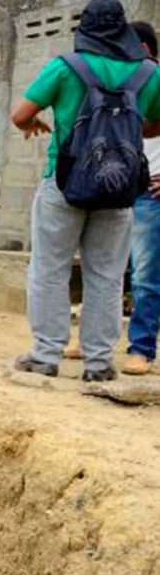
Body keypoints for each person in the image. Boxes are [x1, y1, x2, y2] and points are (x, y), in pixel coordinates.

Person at [12, 0, 160, 383]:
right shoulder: (149, 74)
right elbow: (156, 125)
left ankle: (46, 354)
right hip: (119, 188)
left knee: (49, 268)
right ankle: (98, 363)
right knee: (108, 275)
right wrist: (126, 131)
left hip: (64, 183)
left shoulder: (65, 68)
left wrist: (40, 124)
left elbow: (20, 115)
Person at [121, 20, 160, 375]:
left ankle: (142, 349)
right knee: (102, 266)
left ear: (144, 50)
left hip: (150, 192)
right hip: (117, 187)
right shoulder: (123, 83)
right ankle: (90, 340)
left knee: (145, 274)